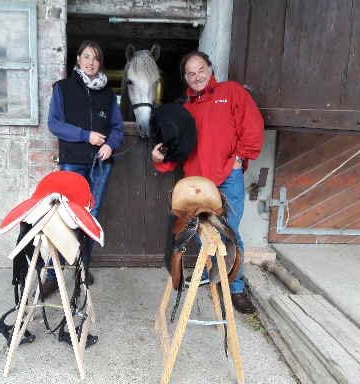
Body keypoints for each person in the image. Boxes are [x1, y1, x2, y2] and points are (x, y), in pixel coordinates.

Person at [151, 51, 264, 314]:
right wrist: (159, 158)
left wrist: (241, 157)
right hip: (198, 184)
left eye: (201, 69)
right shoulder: (184, 110)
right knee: (205, 236)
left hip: (227, 178)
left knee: (230, 235)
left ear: (210, 68)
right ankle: (217, 280)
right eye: (191, 73)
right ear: (186, 78)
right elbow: (176, 151)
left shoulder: (231, 92)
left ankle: (235, 289)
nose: (197, 76)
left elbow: (253, 124)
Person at [45, 40, 124, 296]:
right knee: (64, 216)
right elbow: (54, 124)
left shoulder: (108, 94)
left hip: (101, 164)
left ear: (100, 63)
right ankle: (51, 274)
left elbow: (117, 128)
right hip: (73, 161)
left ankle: (82, 265)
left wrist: (110, 145)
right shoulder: (63, 88)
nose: (91, 62)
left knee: (91, 216)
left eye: (96, 58)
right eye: (86, 56)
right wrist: (85, 135)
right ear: (78, 59)